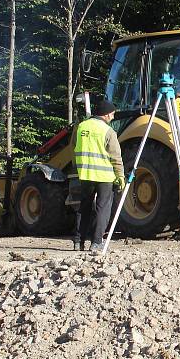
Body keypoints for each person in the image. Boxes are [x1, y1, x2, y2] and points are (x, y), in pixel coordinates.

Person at [73, 99, 124, 253]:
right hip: (104, 177)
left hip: (85, 175)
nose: (113, 117)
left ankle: (78, 242)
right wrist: (120, 176)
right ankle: (96, 243)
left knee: (84, 207)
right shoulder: (108, 131)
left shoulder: (81, 127)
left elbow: (75, 148)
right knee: (103, 209)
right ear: (107, 115)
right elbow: (116, 156)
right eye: (113, 114)